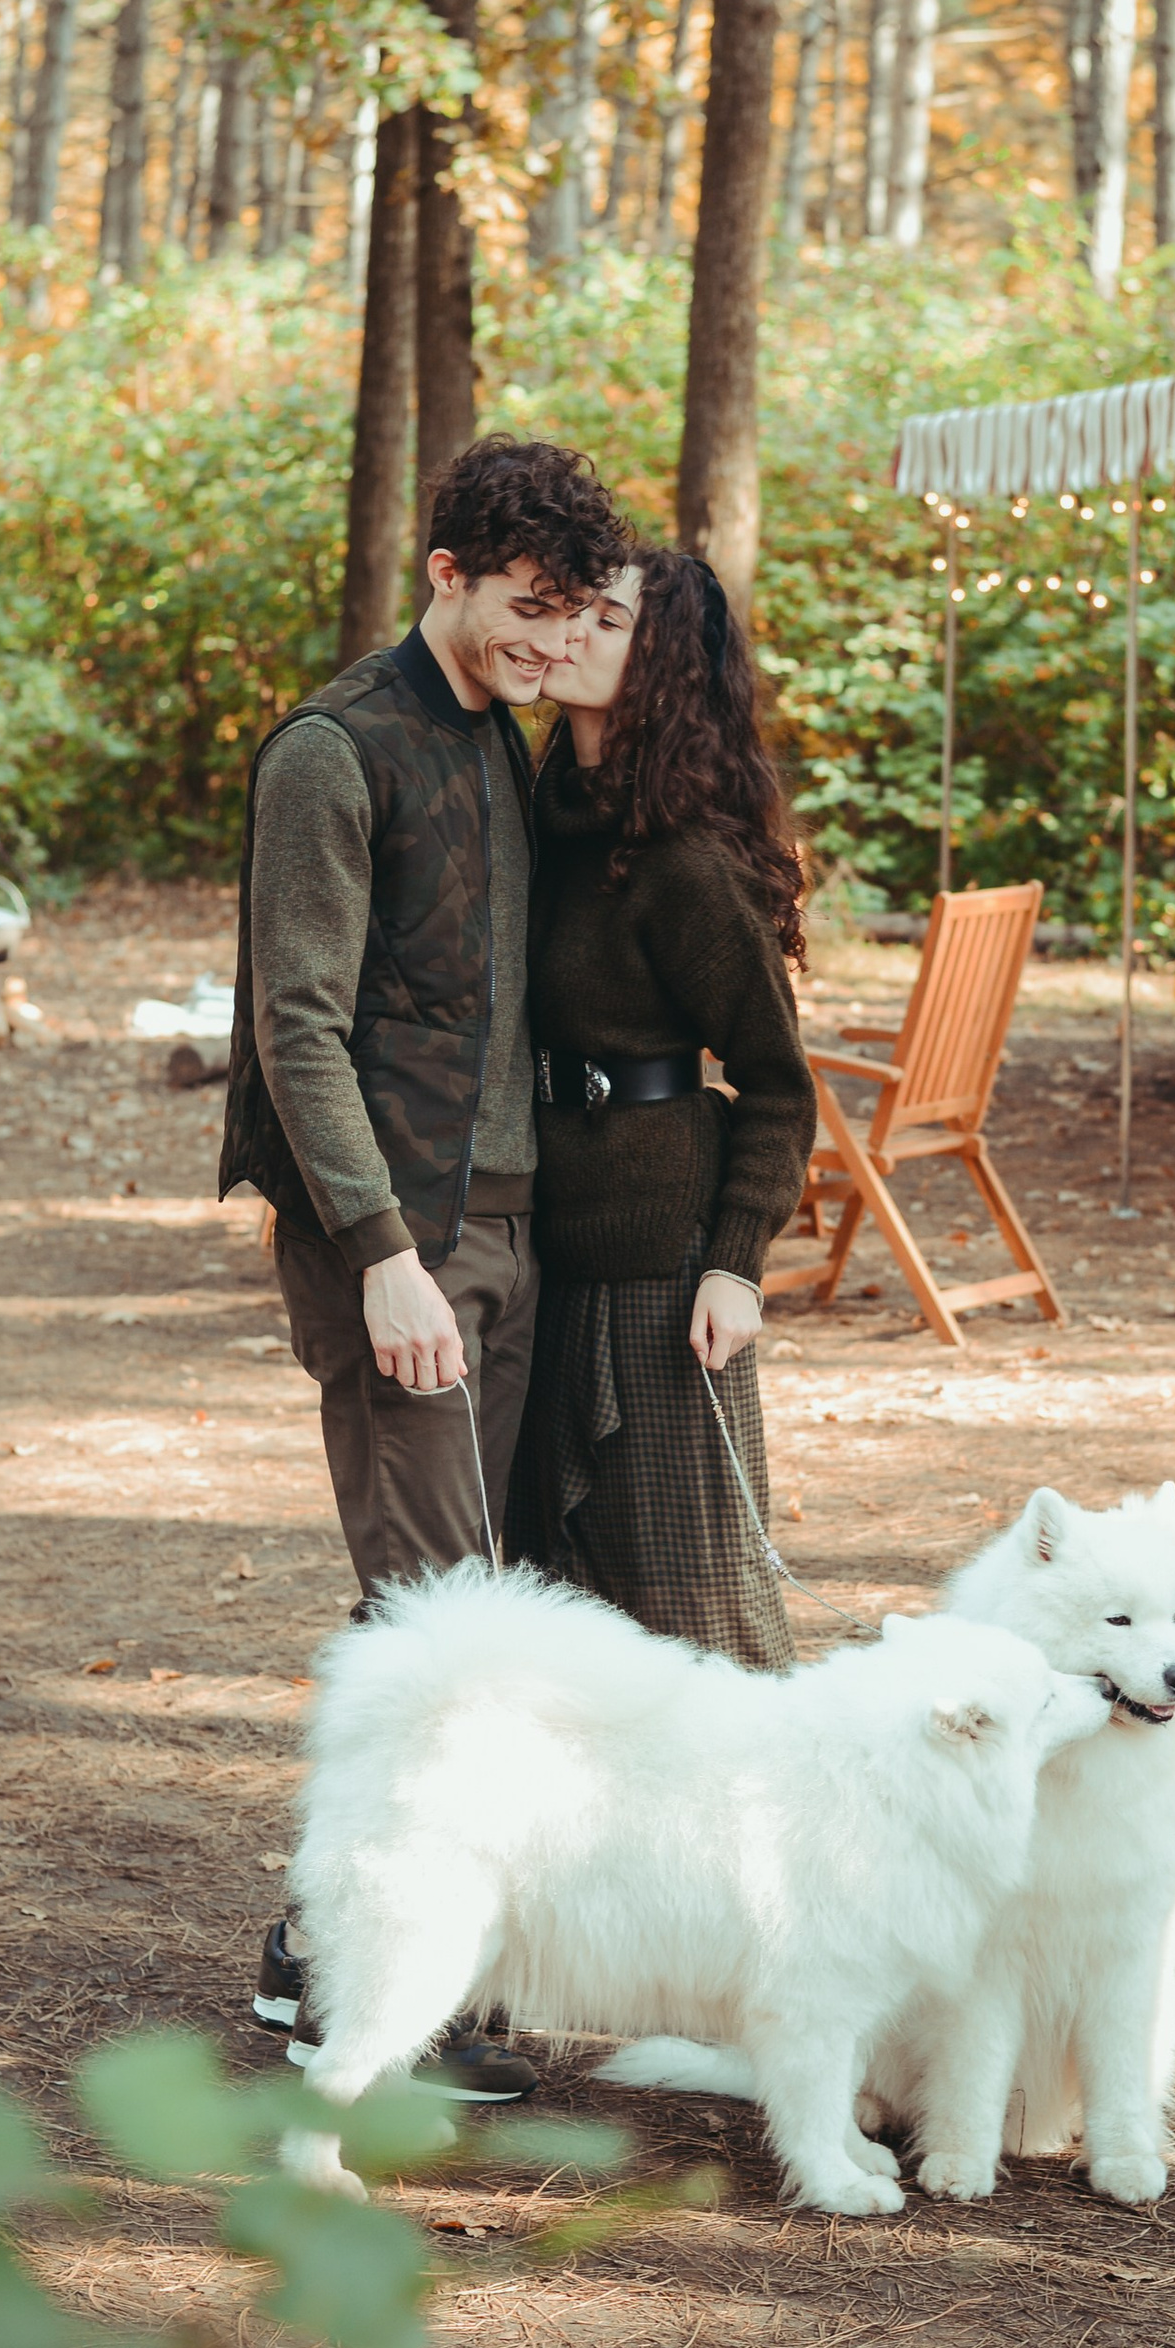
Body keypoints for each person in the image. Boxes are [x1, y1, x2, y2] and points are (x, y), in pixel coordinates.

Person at [220, 434, 635, 2094]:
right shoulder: (335, 751)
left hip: (513, 1227)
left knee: (439, 1599)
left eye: (573, 617)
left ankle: (314, 1948)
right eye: (525, 612)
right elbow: (297, 1027)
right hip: (395, 1241)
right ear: (445, 574)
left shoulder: (511, 742)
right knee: (443, 1618)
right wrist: (382, 1252)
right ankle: (391, 2002)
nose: (549, 646)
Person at [509, 543, 816, 1669]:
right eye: (572, 609)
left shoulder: (687, 861)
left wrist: (737, 1264)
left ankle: (775, 1775)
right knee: (562, 1588)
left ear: (665, 666)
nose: (571, 632)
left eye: (607, 620)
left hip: (665, 1263)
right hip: (543, 1242)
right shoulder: (534, 815)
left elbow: (778, 1083)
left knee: (695, 1591)